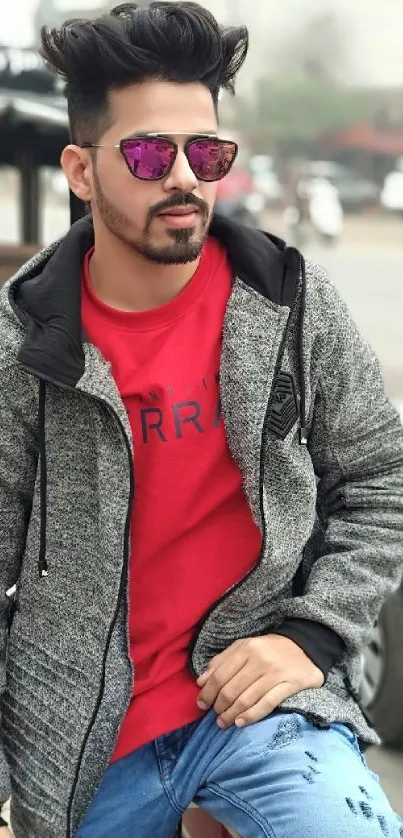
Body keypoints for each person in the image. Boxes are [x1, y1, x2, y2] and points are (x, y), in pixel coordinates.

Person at [0, 3, 402, 837]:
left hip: (260, 710)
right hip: (76, 749)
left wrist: (310, 635)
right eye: (148, 153)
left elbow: (379, 476)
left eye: (206, 151)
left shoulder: (289, 305)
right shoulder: (19, 353)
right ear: (80, 170)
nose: (183, 176)